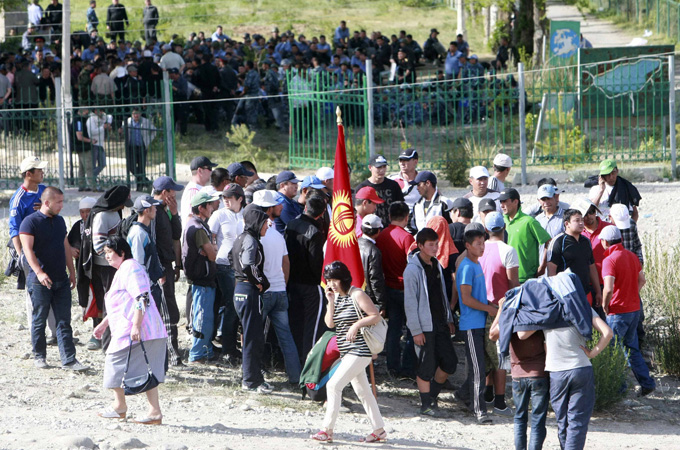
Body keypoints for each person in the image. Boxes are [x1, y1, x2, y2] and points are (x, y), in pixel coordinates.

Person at [93, 236, 167, 424]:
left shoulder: (130, 267)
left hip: (141, 329)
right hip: (139, 329)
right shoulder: (124, 269)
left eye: (110, 252)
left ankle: (120, 407)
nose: (107, 256)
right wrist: (104, 324)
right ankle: (153, 412)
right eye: (105, 253)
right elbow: (124, 303)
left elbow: (142, 298)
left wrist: (136, 325)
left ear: (122, 252)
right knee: (145, 369)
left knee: (114, 362)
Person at [310, 261, 386, 444]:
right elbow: (330, 323)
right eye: (329, 280)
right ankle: (379, 430)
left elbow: (375, 315)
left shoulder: (357, 294)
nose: (331, 284)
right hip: (347, 351)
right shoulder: (335, 297)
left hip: (360, 350)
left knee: (333, 386)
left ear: (343, 279)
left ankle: (327, 430)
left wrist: (356, 325)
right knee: (363, 391)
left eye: (334, 280)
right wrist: (330, 301)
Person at [517, 306, 613, 449]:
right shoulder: (581, 305)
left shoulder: (545, 307)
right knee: (577, 422)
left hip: (556, 372)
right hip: (580, 367)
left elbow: (522, 334)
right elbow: (608, 333)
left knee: (563, 422)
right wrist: (592, 353)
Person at [20, 186, 88, 371]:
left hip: (61, 279)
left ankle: (69, 360)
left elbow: (65, 246)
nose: (62, 205)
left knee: (64, 321)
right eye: (58, 202)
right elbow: (27, 250)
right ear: (47, 202)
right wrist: (39, 273)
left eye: (62, 201)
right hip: (40, 281)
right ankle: (39, 356)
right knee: (39, 319)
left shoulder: (59, 221)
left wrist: (72, 271)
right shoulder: (30, 222)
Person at [404, 228, 457, 416]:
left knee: (450, 362)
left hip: (440, 323)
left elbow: (441, 295)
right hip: (424, 326)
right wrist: (416, 330)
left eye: (437, 244)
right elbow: (410, 303)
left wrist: (449, 318)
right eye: (431, 245)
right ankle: (426, 404)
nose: (435, 248)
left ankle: (432, 396)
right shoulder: (412, 270)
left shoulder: (436, 265)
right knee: (425, 366)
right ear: (420, 246)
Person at [600, 225, 655, 396]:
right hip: (633, 309)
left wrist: (605, 305)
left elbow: (608, 288)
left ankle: (618, 388)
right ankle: (647, 383)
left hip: (617, 311)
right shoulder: (632, 256)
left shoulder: (609, 260)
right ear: (621, 239)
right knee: (632, 348)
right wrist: (632, 294)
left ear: (605, 242)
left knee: (612, 350)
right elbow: (642, 280)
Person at [253, 190, 301, 384]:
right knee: (286, 336)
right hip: (279, 290)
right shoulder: (277, 235)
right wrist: (283, 284)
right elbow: (286, 263)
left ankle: (255, 373)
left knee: (255, 334)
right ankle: (296, 376)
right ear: (269, 209)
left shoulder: (255, 235)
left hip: (263, 292)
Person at [78, 185, 133, 352]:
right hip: (104, 267)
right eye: (122, 203)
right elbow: (98, 245)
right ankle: (102, 337)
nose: (123, 207)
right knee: (107, 301)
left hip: (114, 265)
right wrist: (115, 258)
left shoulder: (115, 212)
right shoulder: (102, 215)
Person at [489, 297, 549, 450]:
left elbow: (492, 335)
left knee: (520, 417)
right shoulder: (540, 316)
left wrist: (501, 310)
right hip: (539, 373)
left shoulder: (511, 318)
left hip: (517, 375)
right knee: (538, 420)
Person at [478, 212, 519, 416]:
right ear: (504, 228)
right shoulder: (508, 251)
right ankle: (500, 402)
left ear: (486, 230)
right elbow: (513, 285)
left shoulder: (479, 249)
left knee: (487, 353)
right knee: (501, 356)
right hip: (500, 309)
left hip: (480, 307)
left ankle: (488, 394)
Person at [230, 204, 273, 393]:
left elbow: (231, 259)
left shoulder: (240, 238)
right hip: (248, 291)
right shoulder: (251, 240)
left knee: (249, 335)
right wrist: (259, 281)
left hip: (240, 289)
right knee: (253, 338)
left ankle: (251, 378)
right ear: (256, 222)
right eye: (264, 222)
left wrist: (241, 277)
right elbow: (248, 264)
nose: (267, 226)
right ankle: (251, 381)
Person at [456, 227, 496, 424]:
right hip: (471, 325)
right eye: (478, 244)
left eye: (483, 243)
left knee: (484, 365)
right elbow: (466, 299)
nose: (482, 247)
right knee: (478, 369)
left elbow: (477, 296)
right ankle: (479, 410)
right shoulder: (466, 267)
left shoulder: (476, 263)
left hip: (481, 323)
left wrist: (490, 306)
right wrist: (488, 309)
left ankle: (463, 394)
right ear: (468, 245)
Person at [284, 196, 327, 363]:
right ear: (322, 213)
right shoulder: (314, 232)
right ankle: (308, 361)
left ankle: (293, 360)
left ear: (306, 207)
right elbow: (315, 262)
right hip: (310, 284)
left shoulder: (291, 224)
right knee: (312, 326)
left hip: (291, 281)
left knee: (295, 322)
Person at [375, 201, 416, 377]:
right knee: (412, 329)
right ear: (407, 217)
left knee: (393, 329)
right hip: (406, 289)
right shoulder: (407, 238)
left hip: (388, 287)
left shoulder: (381, 236)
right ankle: (408, 366)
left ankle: (392, 366)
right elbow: (413, 264)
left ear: (389, 216)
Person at [182, 191, 220, 364]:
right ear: (201, 208)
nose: (212, 207)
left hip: (203, 279)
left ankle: (206, 350)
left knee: (206, 317)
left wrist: (210, 248)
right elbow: (213, 255)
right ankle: (197, 354)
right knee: (202, 318)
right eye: (209, 205)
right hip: (201, 280)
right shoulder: (198, 229)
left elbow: (211, 250)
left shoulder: (198, 224)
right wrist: (211, 248)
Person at [208, 183, 245, 363]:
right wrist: (214, 249)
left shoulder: (245, 214)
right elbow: (209, 235)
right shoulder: (219, 215)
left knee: (234, 304)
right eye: (224, 198)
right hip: (224, 264)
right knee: (232, 304)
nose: (226, 201)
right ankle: (227, 348)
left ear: (240, 199)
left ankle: (229, 344)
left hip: (242, 266)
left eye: (229, 198)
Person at [151, 176, 185, 368]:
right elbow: (153, 243)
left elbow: (176, 235)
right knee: (167, 310)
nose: (175, 195)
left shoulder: (164, 211)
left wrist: (174, 213)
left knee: (170, 307)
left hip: (167, 267)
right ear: (164, 193)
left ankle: (171, 352)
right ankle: (172, 355)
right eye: (172, 192)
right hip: (160, 269)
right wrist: (159, 271)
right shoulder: (153, 211)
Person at [547, 209, 602, 309]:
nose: (581, 223)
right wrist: (555, 294)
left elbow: (591, 266)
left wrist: (598, 291)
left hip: (586, 292)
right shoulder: (558, 242)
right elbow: (551, 270)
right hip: (567, 293)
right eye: (577, 220)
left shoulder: (586, 241)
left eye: (582, 220)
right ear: (567, 223)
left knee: (588, 318)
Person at [500, 188, 551, 283]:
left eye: (505, 201)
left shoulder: (529, 221)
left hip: (527, 279)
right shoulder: (501, 221)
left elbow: (548, 241)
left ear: (515, 202)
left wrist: (543, 266)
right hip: (505, 278)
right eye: (500, 202)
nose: (502, 205)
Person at [355, 154, 405, 226]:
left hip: (391, 228)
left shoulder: (393, 185)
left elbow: (401, 207)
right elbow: (358, 211)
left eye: (384, 166)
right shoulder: (362, 188)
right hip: (371, 228)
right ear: (370, 167)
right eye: (378, 167)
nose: (382, 170)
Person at [121, 108, 156, 192]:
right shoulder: (127, 121)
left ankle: (139, 187)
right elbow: (123, 132)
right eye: (134, 114)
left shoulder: (145, 121)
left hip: (141, 146)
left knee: (141, 167)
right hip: (131, 147)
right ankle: (146, 181)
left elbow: (154, 131)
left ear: (140, 114)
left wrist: (148, 140)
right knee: (131, 166)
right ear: (132, 114)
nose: (136, 115)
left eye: (137, 113)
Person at [180, 156, 218, 231]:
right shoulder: (193, 191)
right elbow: (190, 217)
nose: (211, 172)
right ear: (200, 171)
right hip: (196, 235)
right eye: (209, 168)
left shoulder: (198, 189)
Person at [358, 214, 386, 309]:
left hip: (355, 294)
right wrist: (381, 303)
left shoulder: (354, 244)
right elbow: (375, 279)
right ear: (378, 231)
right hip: (370, 299)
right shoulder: (374, 251)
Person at [390, 148, 420, 217]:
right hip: (398, 219)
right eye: (400, 160)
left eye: (406, 160)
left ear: (415, 161)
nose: (402, 163)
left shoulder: (424, 180)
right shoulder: (392, 180)